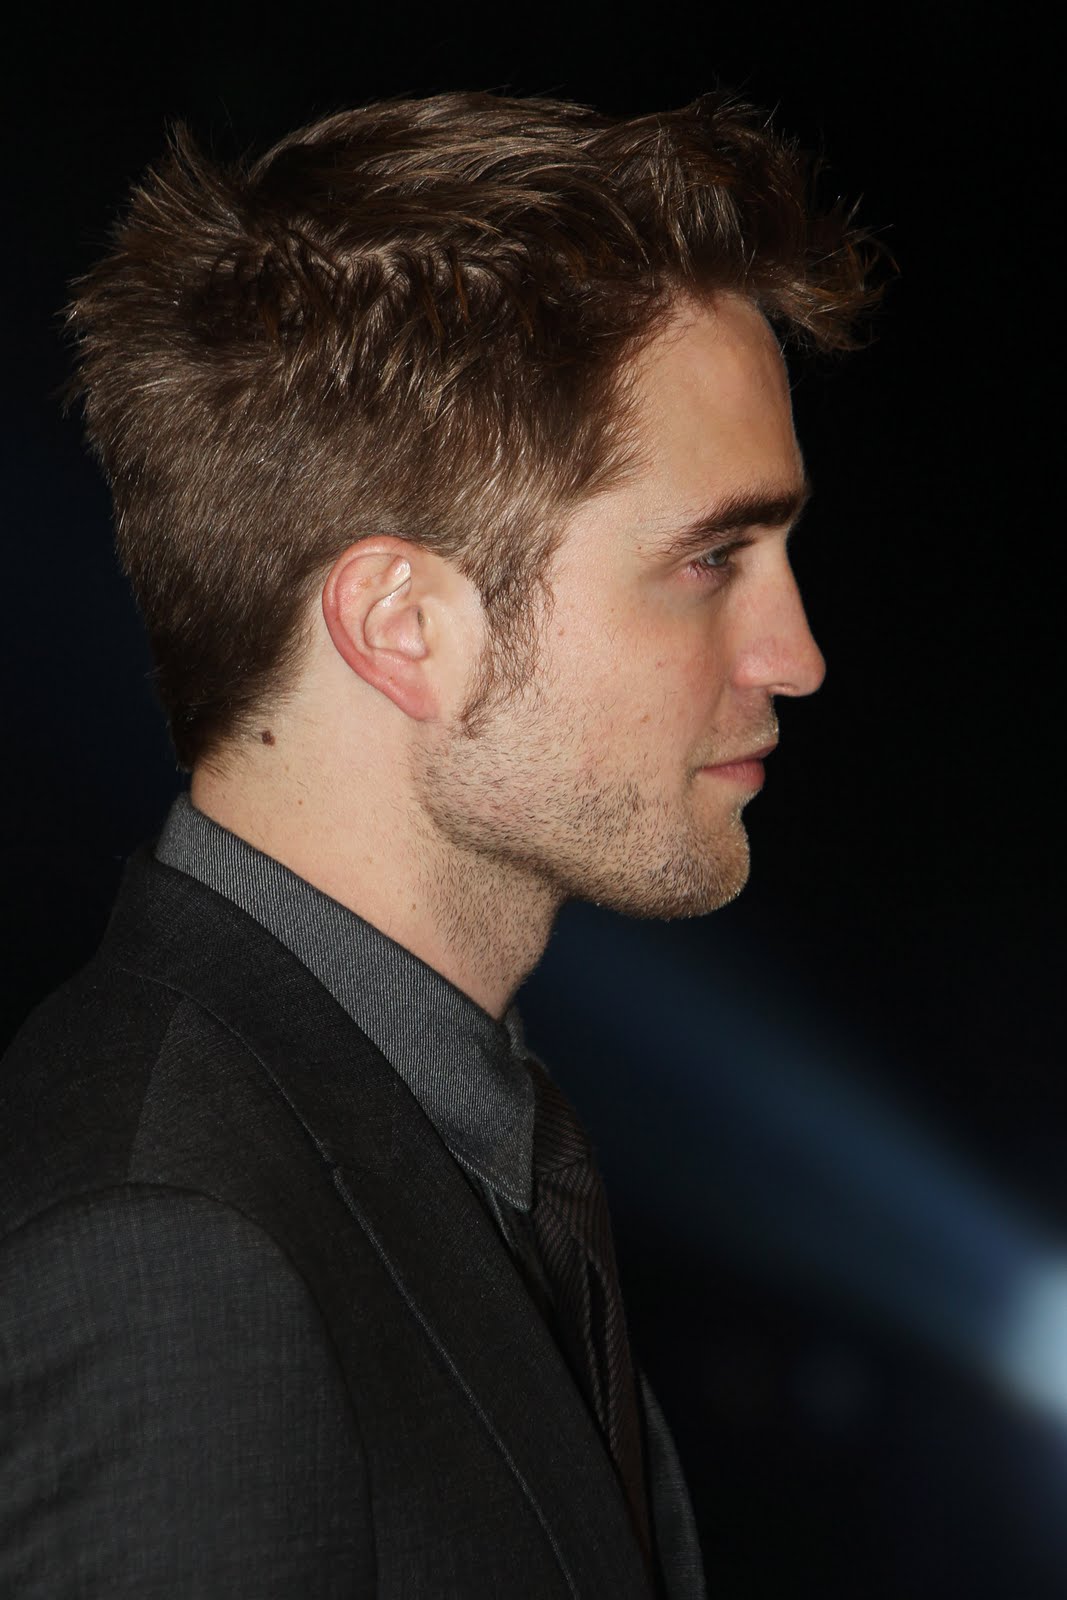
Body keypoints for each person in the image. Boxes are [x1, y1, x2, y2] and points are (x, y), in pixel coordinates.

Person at [0, 90, 877, 1597]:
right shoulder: (167, 1249)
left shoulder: (433, 1128)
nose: (793, 656)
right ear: (402, 625)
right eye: (713, 556)